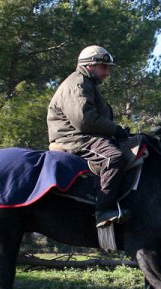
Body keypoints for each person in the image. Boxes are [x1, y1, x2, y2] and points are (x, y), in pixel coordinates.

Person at [47, 45, 131, 228]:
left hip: (85, 136)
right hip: (74, 139)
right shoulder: (77, 84)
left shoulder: (86, 83)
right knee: (114, 157)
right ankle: (103, 211)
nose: (107, 73)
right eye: (104, 67)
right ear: (90, 65)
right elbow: (84, 121)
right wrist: (115, 130)